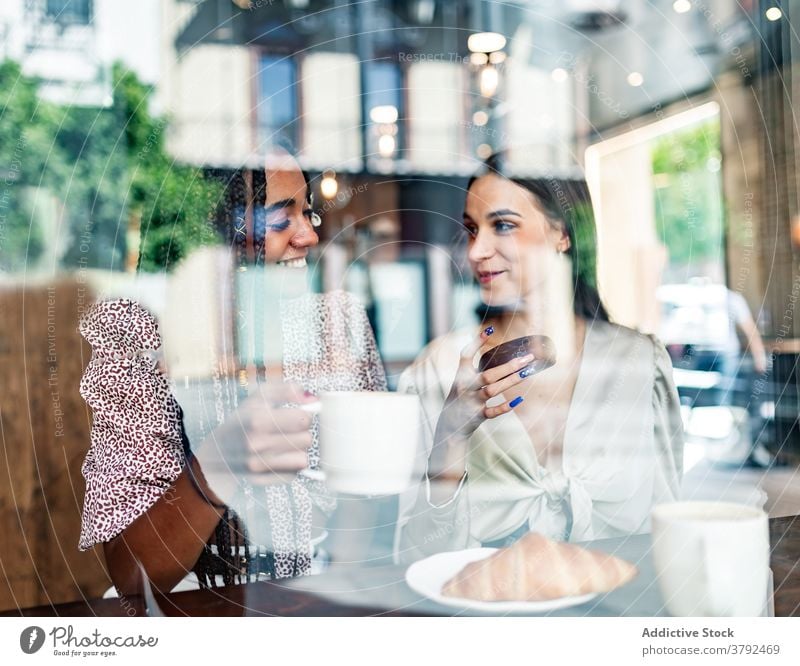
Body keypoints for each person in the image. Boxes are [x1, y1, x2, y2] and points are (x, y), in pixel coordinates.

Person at [85, 145, 386, 595]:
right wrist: (220, 462)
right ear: (217, 233)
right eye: (282, 218)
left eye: (308, 214)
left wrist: (341, 593)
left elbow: (368, 495)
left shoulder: (335, 323)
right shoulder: (142, 348)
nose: (307, 237)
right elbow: (131, 577)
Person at [394, 153, 684, 563]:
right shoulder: (439, 369)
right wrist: (451, 437)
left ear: (561, 234)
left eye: (504, 226)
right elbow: (416, 556)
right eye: (472, 230)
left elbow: (670, 526)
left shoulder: (636, 363)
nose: (477, 251)